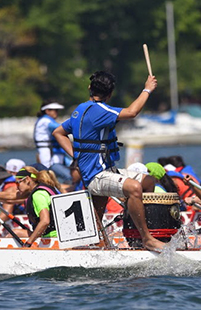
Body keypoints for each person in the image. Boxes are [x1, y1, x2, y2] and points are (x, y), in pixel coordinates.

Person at [52, 70, 165, 251]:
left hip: (105, 172)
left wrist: (76, 155)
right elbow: (132, 112)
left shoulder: (79, 109)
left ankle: (128, 235)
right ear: (110, 93)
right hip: (97, 176)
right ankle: (147, 238)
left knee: (148, 181)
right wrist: (147, 89)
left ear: (90, 88)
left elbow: (58, 132)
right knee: (135, 188)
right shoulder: (100, 110)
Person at [14, 166, 62, 246]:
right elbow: (10, 197)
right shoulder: (45, 188)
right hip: (58, 233)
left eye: (18, 183)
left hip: (53, 238)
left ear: (27, 180)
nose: (17, 187)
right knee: (15, 232)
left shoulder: (38, 195)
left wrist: (29, 243)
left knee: (13, 234)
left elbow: (45, 221)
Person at [34, 101, 71, 182]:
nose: (57, 112)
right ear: (47, 111)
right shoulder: (45, 121)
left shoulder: (46, 120)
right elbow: (57, 127)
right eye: (55, 110)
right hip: (50, 159)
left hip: (56, 156)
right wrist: (74, 125)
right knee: (69, 176)